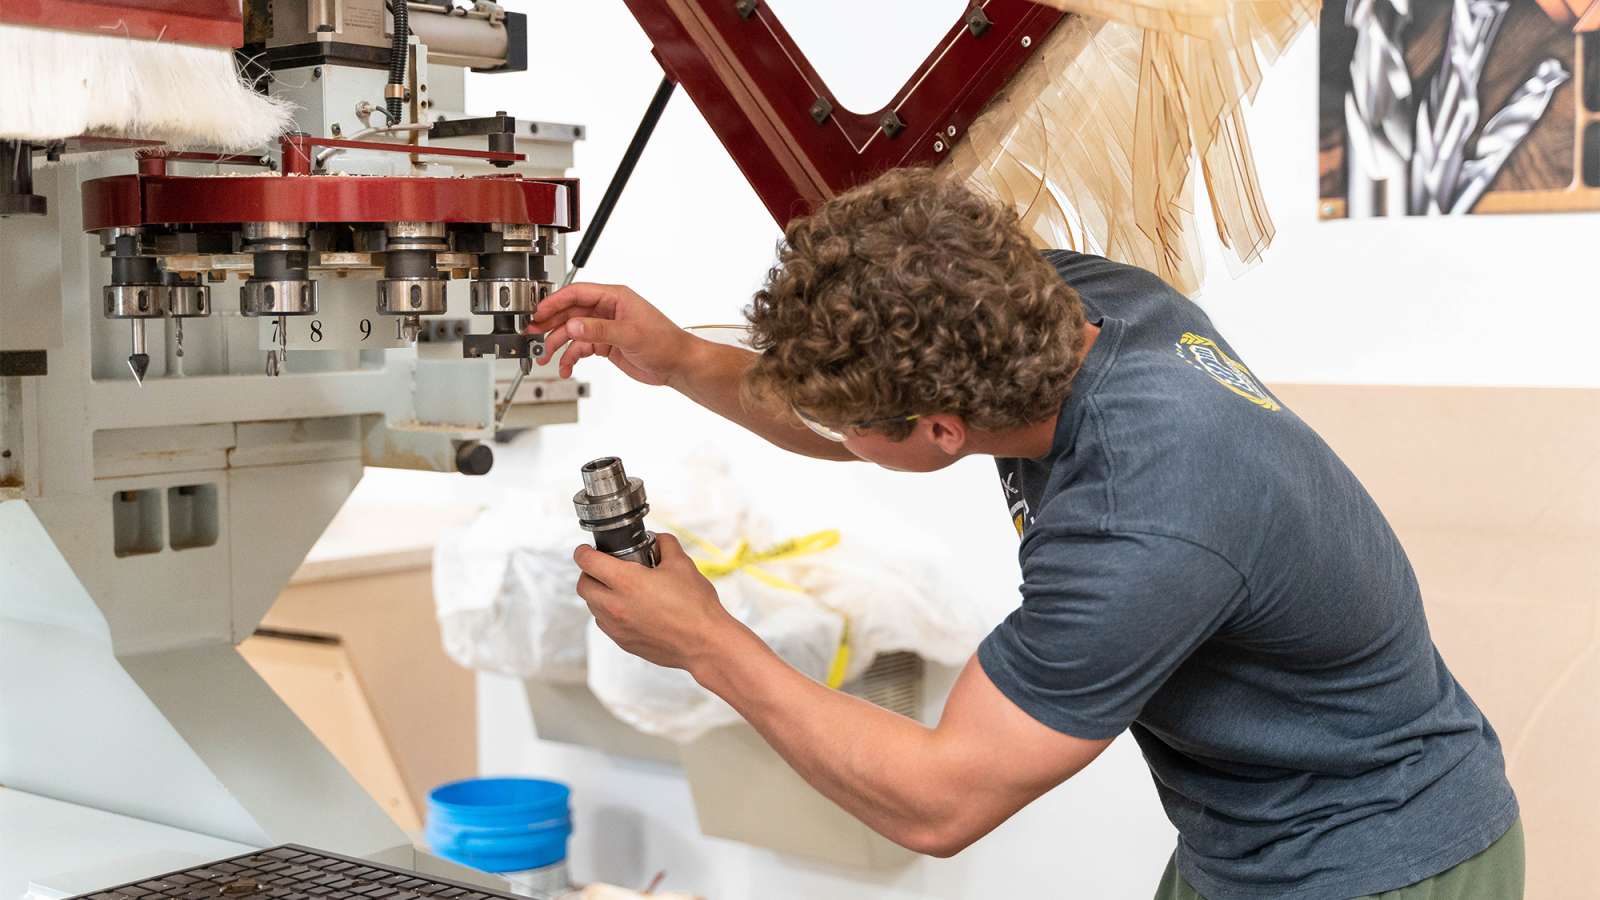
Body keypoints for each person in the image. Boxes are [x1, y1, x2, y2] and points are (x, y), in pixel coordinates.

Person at [529, 169, 1522, 900]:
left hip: (1376, 860)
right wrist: (685, 359)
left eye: (853, 420)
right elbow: (877, 403)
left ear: (942, 431)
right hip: (1251, 835)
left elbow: (938, 801)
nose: (833, 426)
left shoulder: (1142, 519)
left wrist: (705, 640)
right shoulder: (1065, 306)